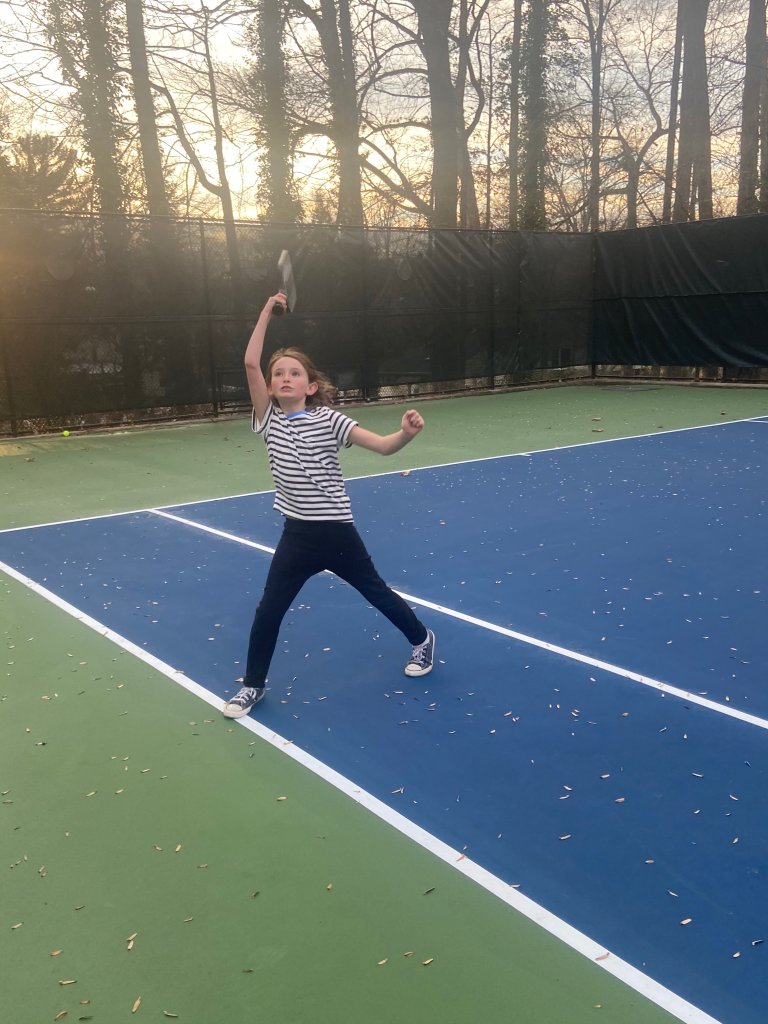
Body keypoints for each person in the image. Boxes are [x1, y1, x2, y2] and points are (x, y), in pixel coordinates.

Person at [222, 291, 435, 718]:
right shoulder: (268, 419)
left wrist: (406, 434)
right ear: (269, 386)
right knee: (269, 610)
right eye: (277, 373)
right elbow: (249, 362)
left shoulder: (330, 420)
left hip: (337, 533)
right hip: (296, 535)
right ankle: (254, 685)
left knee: (375, 593)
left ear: (311, 385)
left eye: (294, 373)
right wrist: (266, 311)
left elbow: (382, 447)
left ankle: (422, 639)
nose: (284, 377)